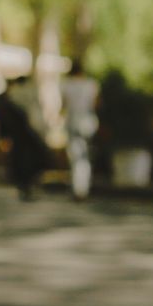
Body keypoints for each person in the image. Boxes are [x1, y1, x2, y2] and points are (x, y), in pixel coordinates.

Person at [0, 75, 48, 200]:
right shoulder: (29, 96)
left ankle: (24, 185)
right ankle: (27, 185)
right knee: (27, 161)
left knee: (20, 161)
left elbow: (1, 118)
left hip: (18, 137)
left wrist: (3, 135)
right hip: (28, 136)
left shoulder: (11, 97)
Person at [60, 59, 100, 200]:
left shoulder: (66, 85)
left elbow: (63, 105)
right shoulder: (91, 84)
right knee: (85, 155)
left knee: (75, 155)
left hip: (73, 121)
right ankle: (83, 187)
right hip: (87, 122)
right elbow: (95, 105)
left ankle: (77, 187)